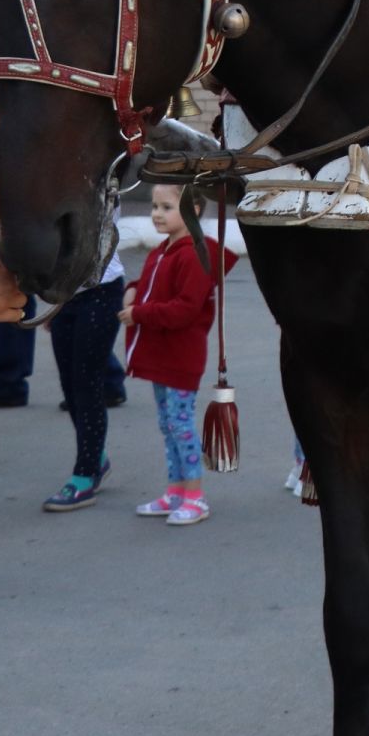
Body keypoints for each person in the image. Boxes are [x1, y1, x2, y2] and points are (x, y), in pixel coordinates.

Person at [121, 184, 234, 526]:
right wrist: (131, 291)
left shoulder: (193, 255)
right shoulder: (163, 250)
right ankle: (175, 491)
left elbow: (184, 310)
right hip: (159, 354)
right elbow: (148, 284)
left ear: (194, 210)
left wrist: (139, 313)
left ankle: (195, 497)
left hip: (180, 356)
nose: (157, 213)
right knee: (168, 424)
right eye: (155, 206)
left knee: (180, 424)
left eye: (166, 207)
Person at [41, 212, 128, 513]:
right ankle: (96, 458)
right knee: (69, 385)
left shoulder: (102, 176)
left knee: (87, 384)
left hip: (102, 291)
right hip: (65, 293)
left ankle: (86, 473)